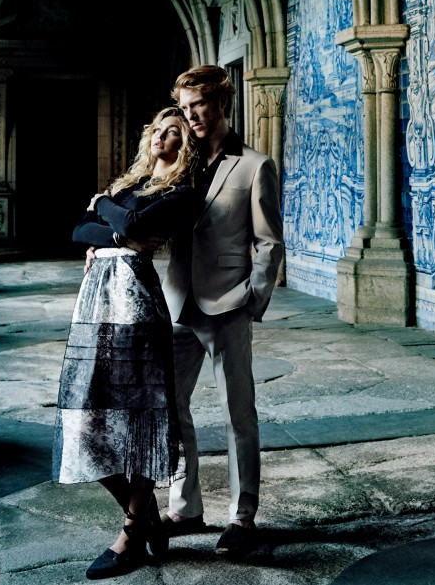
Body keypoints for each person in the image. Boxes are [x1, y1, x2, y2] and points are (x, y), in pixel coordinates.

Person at [53, 107, 197, 580]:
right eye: (158, 129)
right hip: (94, 302)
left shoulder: (181, 190)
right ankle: (146, 513)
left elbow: (129, 226)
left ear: (184, 144)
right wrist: (114, 222)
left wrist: (105, 211)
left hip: (136, 301)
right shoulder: (128, 187)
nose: (162, 136)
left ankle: (133, 531)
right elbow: (80, 229)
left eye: (174, 131)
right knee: (84, 413)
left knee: (140, 413)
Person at [160, 64, 284, 555]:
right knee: (173, 408)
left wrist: (251, 302)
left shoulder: (255, 165)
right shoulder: (182, 162)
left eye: (199, 106)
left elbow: (268, 242)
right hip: (178, 303)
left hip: (228, 303)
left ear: (222, 105)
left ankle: (242, 516)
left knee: (238, 413)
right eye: (185, 108)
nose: (191, 117)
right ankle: (185, 508)